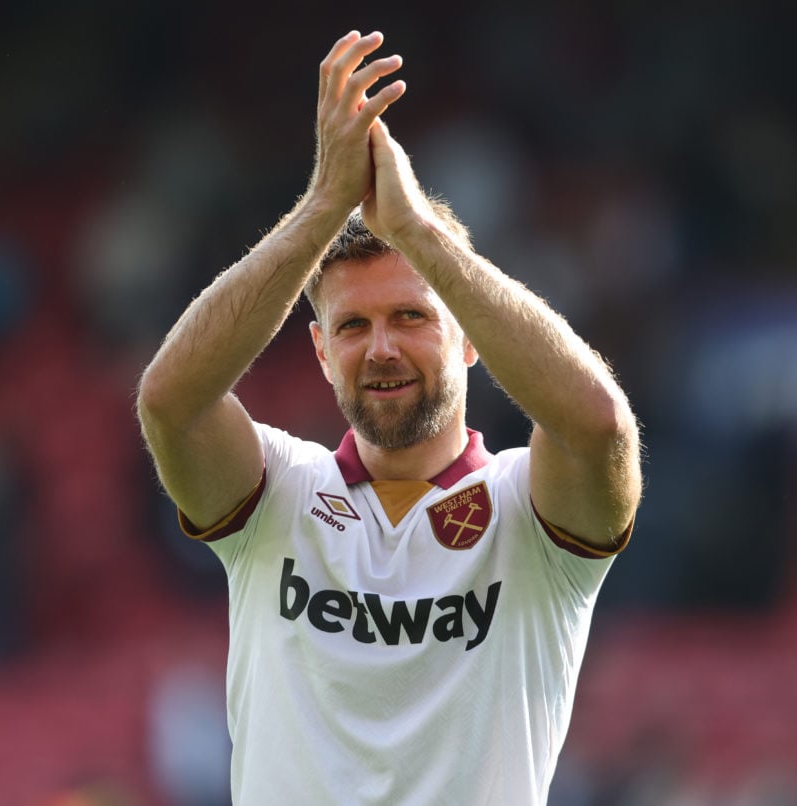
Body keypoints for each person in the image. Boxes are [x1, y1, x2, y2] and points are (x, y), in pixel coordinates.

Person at [137, 29, 642, 805]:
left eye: (411, 316)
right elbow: (170, 402)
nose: (380, 349)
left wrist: (420, 233)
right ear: (317, 350)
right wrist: (321, 207)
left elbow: (599, 426)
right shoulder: (279, 495)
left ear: (469, 335)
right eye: (350, 326)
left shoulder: (529, 515)